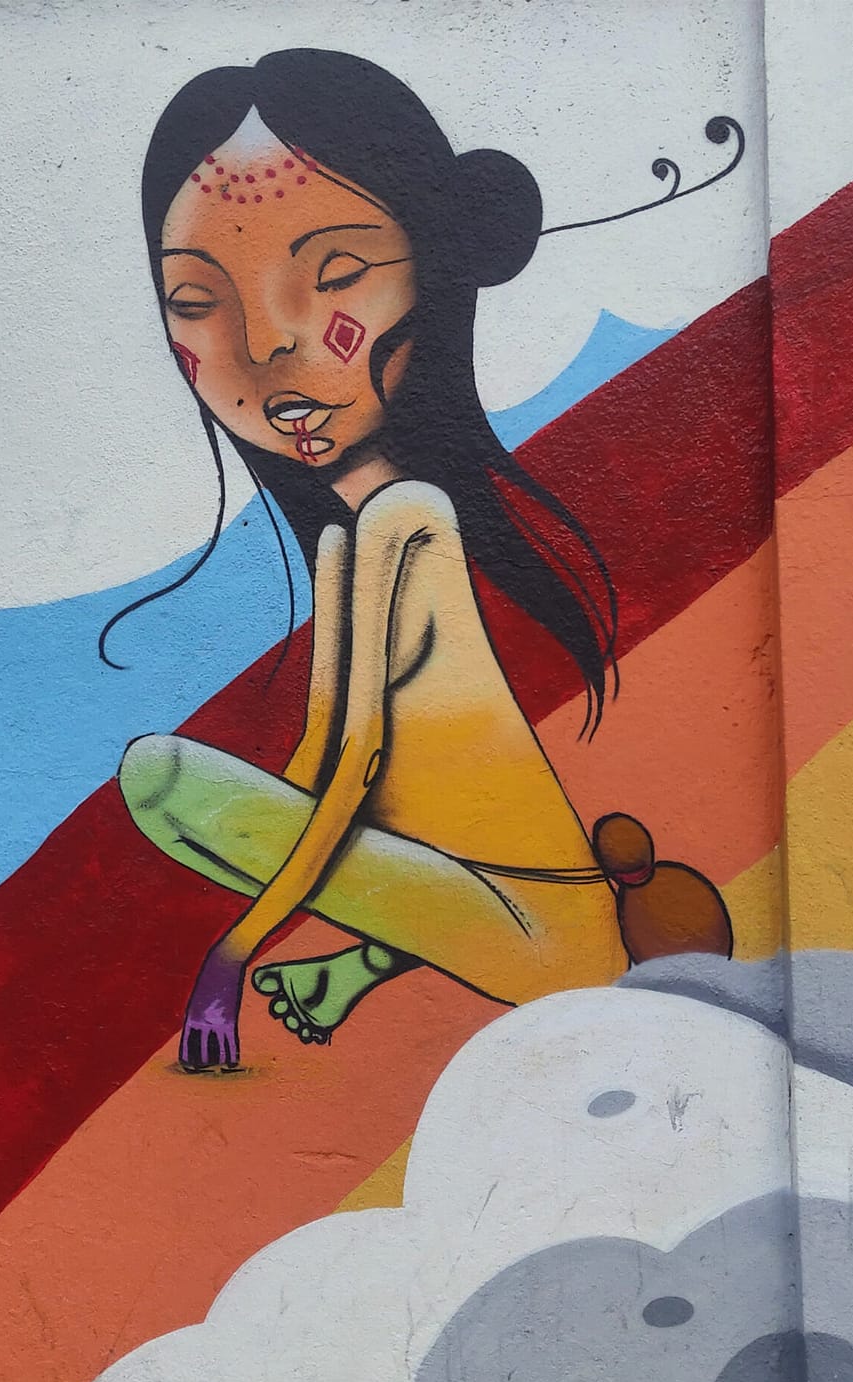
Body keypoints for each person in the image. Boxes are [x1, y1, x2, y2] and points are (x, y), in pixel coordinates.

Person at [108, 49, 631, 1071]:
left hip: (555, 936)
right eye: (194, 299)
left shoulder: (410, 520)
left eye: (336, 274)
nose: (265, 343)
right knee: (185, 785)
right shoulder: (353, 539)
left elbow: (354, 775)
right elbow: (323, 774)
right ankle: (360, 962)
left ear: (433, 267)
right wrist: (324, 951)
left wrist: (234, 951)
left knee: (164, 778)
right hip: (486, 904)